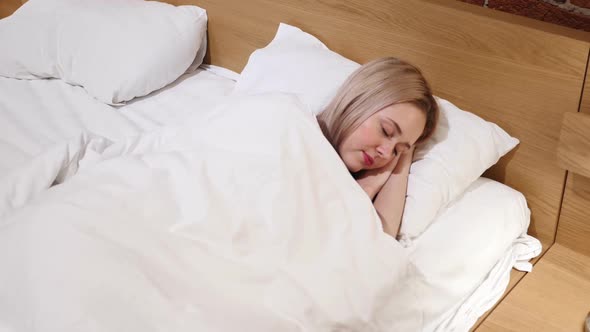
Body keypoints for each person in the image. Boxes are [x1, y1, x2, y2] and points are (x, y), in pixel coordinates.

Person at [317, 57, 438, 239]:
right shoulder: (290, 127)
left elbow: (380, 244)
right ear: (358, 100)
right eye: (386, 131)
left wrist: (369, 186)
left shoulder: (351, 188)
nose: (387, 153)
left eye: (397, 151)